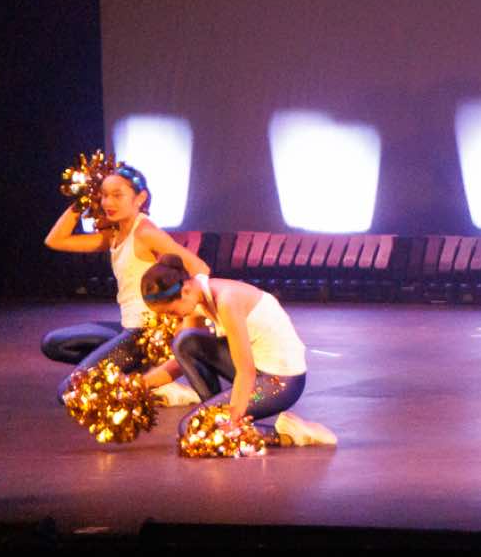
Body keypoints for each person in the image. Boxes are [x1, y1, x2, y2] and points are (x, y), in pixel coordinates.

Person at [42, 163, 203, 404]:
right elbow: (55, 240)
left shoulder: (145, 232)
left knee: (70, 392)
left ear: (140, 198)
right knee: (54, 344)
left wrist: (184, 322)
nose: (108, 202)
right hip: (127, 326)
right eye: (104, 195)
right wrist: (82, 200)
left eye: (117, 195)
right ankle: (140, 374)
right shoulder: (115, 235)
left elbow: (199, 268)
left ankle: (147, 380)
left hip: (144, 333)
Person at [133, 259, 336, 446]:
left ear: (185, 291)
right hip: (258, 372)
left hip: (281, 383)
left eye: (171, 311)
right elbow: (181, 360)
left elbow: (245, 371)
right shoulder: (198, 296)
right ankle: (216, 412)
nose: (172, 317)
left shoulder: (227, 301)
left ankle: (290, 433)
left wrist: (229, 421)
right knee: (185, 343)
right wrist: (138, 386)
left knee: (193, 428)